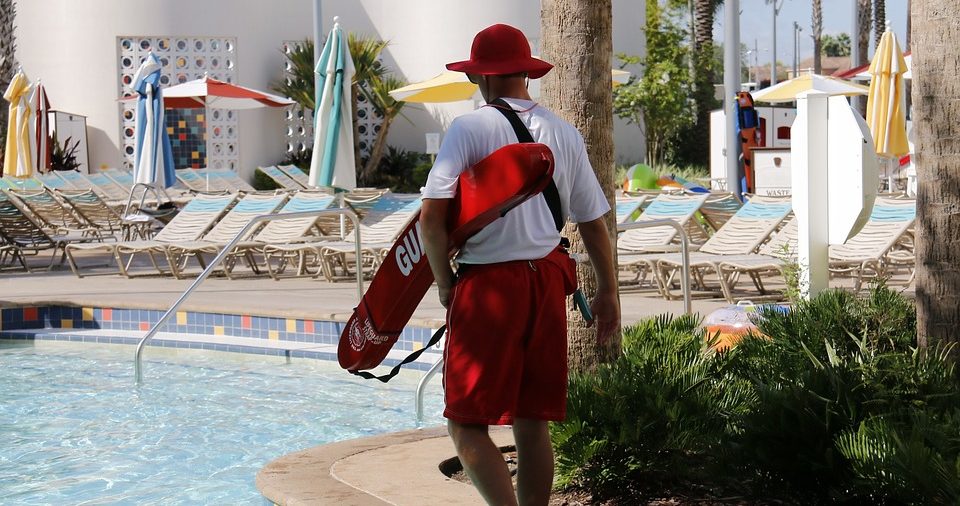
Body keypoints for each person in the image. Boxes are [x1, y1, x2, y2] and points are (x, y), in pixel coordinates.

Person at [420, 23, 621, 506]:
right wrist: (609, 291)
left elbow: (431, 218)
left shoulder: (468, 128)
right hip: (547, 283)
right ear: (525, 74)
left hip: (489, 287)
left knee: (465, 423)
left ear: (480, 78)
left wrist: (445, 284)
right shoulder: (565, 132)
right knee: (533, 423)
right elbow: (594, 223)